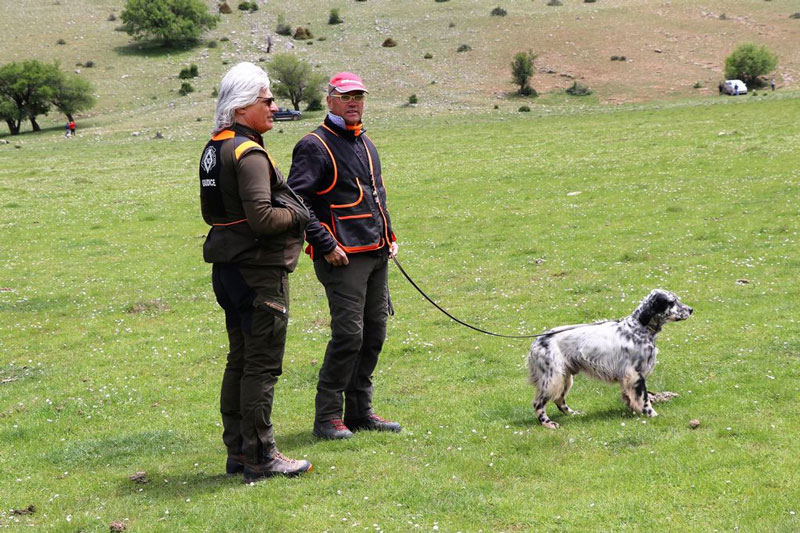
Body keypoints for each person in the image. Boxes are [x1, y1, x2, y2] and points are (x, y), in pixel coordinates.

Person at [199, 62, 312, 481]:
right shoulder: (248, 153)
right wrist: (296, 213)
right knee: (261, 366)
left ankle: (238, 453)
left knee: (240, 361)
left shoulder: (214, 147)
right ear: (244, 104)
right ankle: (262, 456)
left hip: (227, 269)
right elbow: (263, 219)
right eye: (267, 100)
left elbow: (212, 211)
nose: (274, 107)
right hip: (258, 272)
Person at [288, 72, 401, 440]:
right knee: (349, 336)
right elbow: (294, 200)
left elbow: (375, 195)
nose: (354, 102)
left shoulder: (365, 141)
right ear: (330, 100)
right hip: (341, 257)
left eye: (359, 96)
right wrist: (324, 242)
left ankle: (360, 411)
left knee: (374, 334)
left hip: (375, 251)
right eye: (346, 96)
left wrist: (389, 236)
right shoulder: (314, 145)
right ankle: (327, 418)